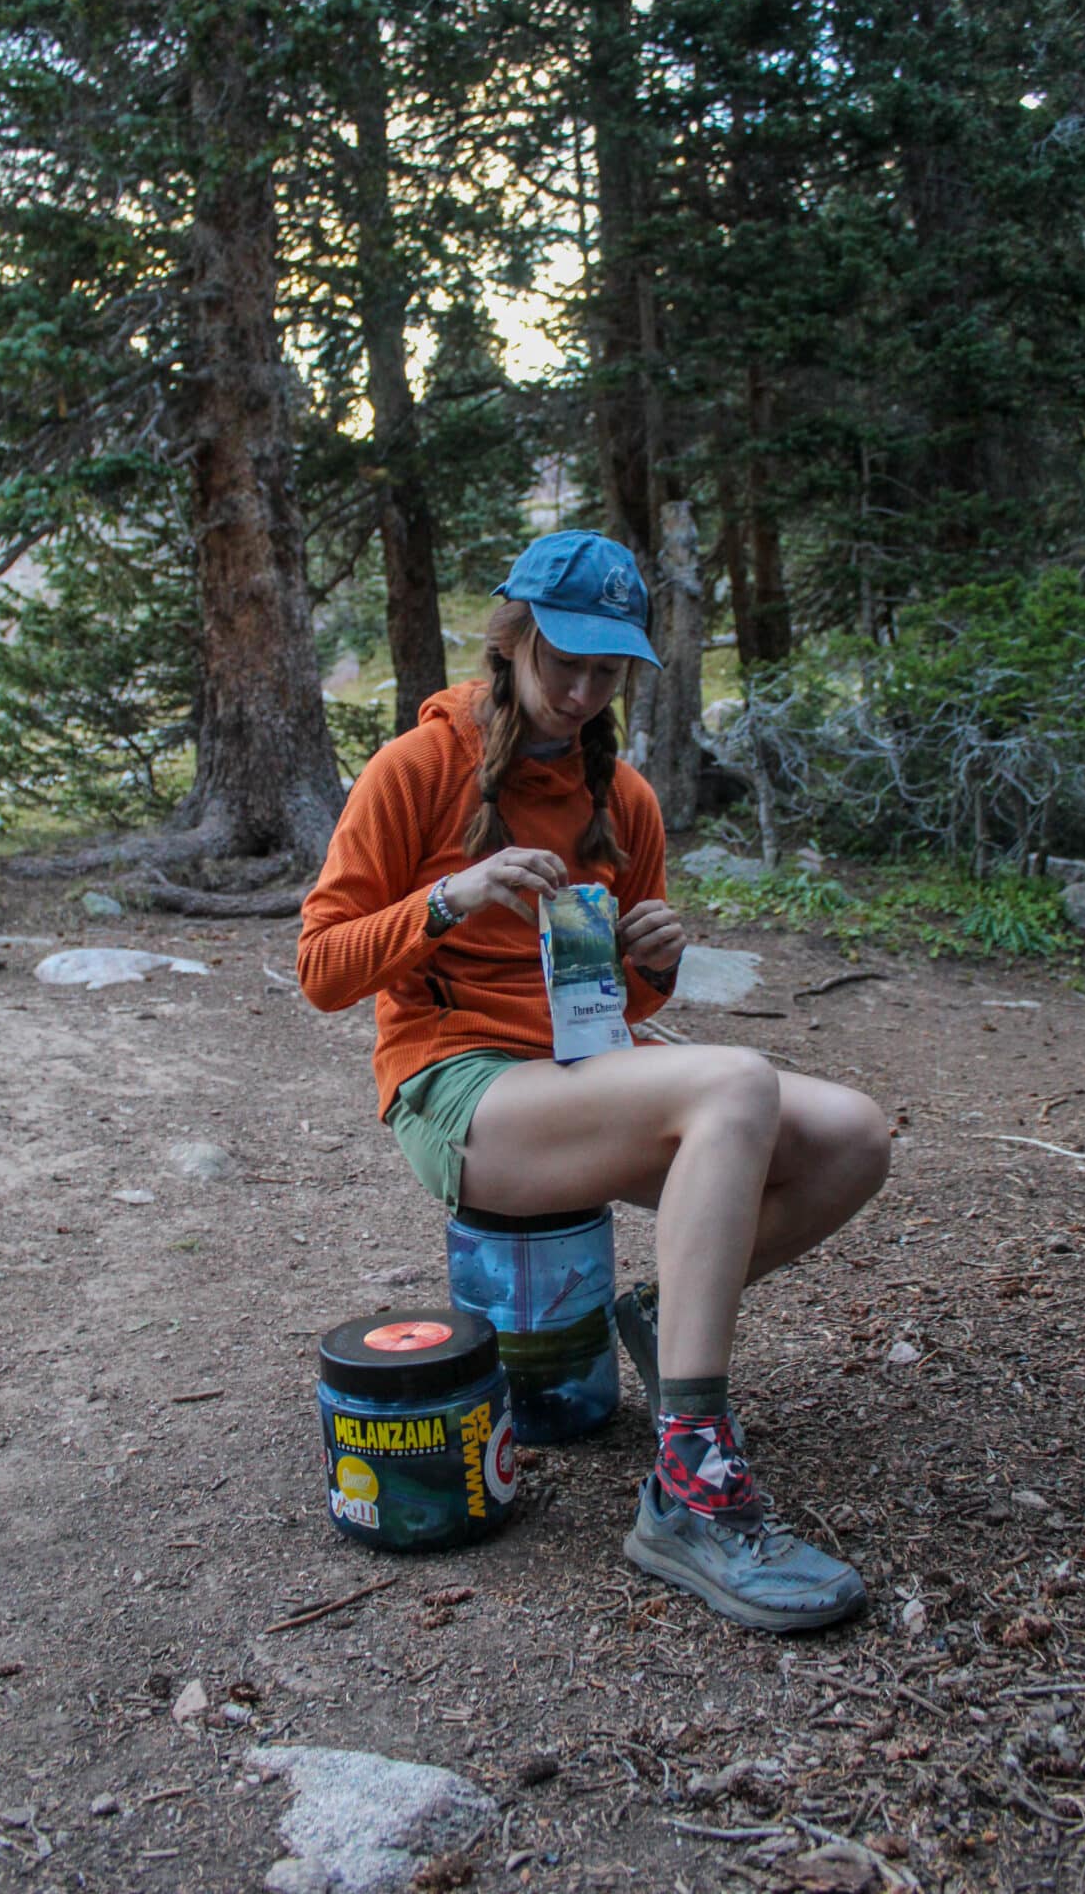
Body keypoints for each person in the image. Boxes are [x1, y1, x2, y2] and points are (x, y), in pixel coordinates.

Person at [297, 530, 891, 1631]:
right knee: (737, 1085)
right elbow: (321, 970)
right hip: (457, 1086)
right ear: (512, 638)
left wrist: (652, 962)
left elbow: (623, 1010)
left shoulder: (627, 799)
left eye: (605, 671)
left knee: (856, 1133)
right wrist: (451, 895)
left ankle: (671, 1311)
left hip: (582, 1071)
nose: (578, 690)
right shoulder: (415, 770)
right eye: (560, 660)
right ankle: (691, 1484)